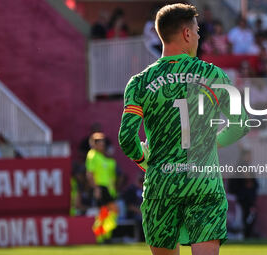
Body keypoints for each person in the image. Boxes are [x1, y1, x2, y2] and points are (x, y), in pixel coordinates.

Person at [118, 4, 249, 255]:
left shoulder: (140, 83)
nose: (199, 37)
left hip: (162, 185)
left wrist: (144, 160)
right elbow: (240, 124)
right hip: (204, 184)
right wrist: (213, 143)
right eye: (197, 31)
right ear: (187, 34)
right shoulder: (212, 75)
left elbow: (126, 138)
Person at [86, 132, 118, 242]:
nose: (102, 144)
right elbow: (90, 174)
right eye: (100, 142)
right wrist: (96, 188)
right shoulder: (92, 155)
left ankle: (104, 235)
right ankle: (101, 234)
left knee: (105, 212)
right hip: (100, 187)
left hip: (105, 187)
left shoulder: (101, 156)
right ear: (94, 144)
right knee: (110, 210)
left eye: (103, 142)